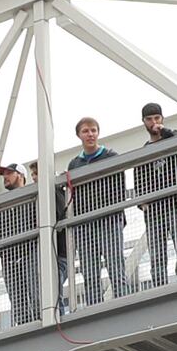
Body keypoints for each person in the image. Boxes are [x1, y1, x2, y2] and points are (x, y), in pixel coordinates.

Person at [62, 117, 129, 305]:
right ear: (79, 135)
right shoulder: (74, 164)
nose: (90, 134)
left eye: (93, 130)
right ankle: (94, 308)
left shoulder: (110, 156)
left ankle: (123, 303)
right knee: (89, 272)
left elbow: (119, 188)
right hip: (85, 226)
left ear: (98, 133)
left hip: (109, 220)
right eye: (86, 131)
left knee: (116, 266)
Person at [131, 103, 177, 283]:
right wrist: (143, 204)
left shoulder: (172, 139)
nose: (154, 122)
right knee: (157, 254)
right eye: (149, 119)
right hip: (154, 210)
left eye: (157, 118)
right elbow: (138, 181)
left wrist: (166, 132)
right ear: (143, 122)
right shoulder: (144, 151)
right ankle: (160, 287)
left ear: (162, 118)